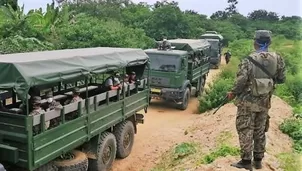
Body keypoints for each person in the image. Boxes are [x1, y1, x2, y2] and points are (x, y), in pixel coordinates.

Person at [227, 30, 286, 170]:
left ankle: (246, 162)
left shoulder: (249, 59)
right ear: (269, 42)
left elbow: (241, 81)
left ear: (255, 43)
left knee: (245, 129)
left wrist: (233, 92)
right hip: (265, 102)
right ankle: (258, 161)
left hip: (247, 103)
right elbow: (282, 79)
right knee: (260, 130)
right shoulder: (278, 58)